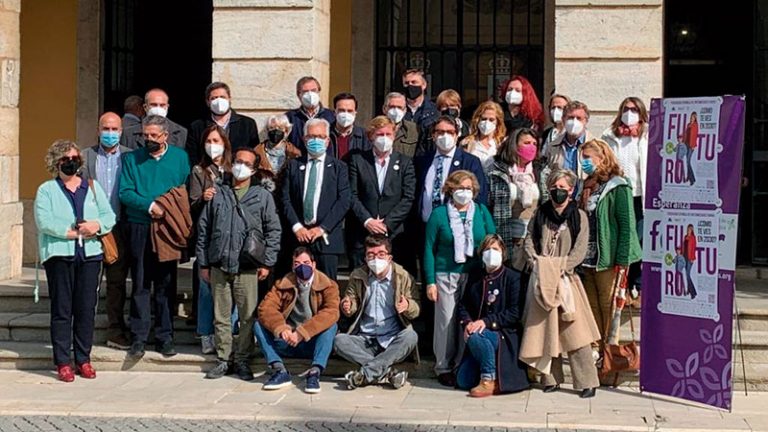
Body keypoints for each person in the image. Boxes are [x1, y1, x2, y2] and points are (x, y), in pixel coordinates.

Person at [34, 140, 116, 382]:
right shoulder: (46, 190)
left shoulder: (91, 187)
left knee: (85, 309)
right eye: (66, 159)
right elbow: (44, 221)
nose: (72, 162)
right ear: (56, 163)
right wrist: (72, 233)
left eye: (75, 158)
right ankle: (62, 362)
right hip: (59, 255)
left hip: (90, 256)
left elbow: (109, 215)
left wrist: (96, 225)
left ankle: (83, 359)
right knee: (62, 310)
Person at [198, 148, 282, 380]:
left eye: (246, 163)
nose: (240, 166)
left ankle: (243, 359)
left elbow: (273, 230)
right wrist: (203, 263)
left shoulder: (262, 196)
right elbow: (204, 229)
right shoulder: (218, 193)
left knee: (246, 317)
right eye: (237, 161)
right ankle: (223, 359)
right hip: (219, 263)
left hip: (247, 266)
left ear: (253, 170)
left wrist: (267, 262)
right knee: (221, 316)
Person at [520, 169, 602, 399]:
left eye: (563, 188)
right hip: (542, 278)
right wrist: (536, 262)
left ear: (571, 190)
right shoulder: (540, 214)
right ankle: (551, 379)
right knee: (546, 330)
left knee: (576, 332)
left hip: (567, 279)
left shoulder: (579, 216)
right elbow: (529, 240)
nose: (558, 191)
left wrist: (561, 266)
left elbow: (580, 249)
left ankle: (587, 381)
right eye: (554, 187)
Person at [119, 115, 191, 359]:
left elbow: (183, 189)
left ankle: (165, 337)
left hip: (167, 228)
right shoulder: (132, 159)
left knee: (166, 284)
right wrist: (150, 205)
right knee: (140, 283)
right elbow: (125, 192)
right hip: (140, 225)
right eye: (145, 135)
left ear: (165, 135)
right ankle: (138, 337)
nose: (148, 139)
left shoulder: (180, 157)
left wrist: (169, 210)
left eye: (153, 135)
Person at [423, 170, 496, 386]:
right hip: (446, 273)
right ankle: (443, 366)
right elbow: (428, 249)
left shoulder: (481, 211)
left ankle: (462, 364)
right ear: (450, 189)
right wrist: (430, 281)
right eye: (459, 188)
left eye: (468, 188)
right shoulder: (439, 215)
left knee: (468, 320)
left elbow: (492, 239)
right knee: (446, 321)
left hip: (474, 274)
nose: (464, 192)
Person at [578, 139, 642, 349]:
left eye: (588, 157)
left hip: (609, 257)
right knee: (591, 305)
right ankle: (595, 348)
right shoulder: (587, 185)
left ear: (602, 158)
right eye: (582, 157)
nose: (584, 161)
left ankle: (610, 350)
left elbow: (627, 225)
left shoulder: (618, 186)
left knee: (608, 304)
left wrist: (623, 260)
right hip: (587, 257)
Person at [336, 235, 420, 389]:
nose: (376, 259)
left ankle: (366, 373)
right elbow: (350, 300)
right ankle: (388, 373)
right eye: (371, 255)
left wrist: (408, 305)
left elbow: (416, 309)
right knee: (339, 341)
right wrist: (347, 305)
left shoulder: (403, 277)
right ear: (365, 258)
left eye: (381, 254)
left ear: (389, 257)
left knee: (411, 336)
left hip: (392, 339)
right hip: (365, 339)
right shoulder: (358, 275)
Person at [79, 112, 133, 350]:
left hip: (119, 227)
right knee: (87, 282)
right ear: (98, 130)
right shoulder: (84, 157)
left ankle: (115, 331)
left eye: (114, 129)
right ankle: (82, 330)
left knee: (116, 282)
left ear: (121, 131)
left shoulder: (130, 157)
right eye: (105, 128)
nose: (110, 133)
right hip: (92, 227)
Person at [254, 247, 340, 393]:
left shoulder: (328, 285)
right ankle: (279, 369)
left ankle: (315, 372)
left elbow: (331, 312)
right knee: (258, 325)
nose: (302, 267)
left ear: (313, 264)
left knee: (331, 326)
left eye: (306, 263)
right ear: (293, 266)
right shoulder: (282, 284)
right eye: (297, 264)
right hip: (287, 340)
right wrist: (281, 328)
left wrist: (302, 333)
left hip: (312, 342)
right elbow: (265, 308)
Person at [456, 234, 529, 397]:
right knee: (463, 381)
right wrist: (467, 322)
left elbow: (514, 313)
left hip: (503, 334)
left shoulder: (513, 277)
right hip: (478, 332)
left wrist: (486, 322)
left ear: (503, 252)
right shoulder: (476, 277)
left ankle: (488, 379)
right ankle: (486, 371)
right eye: (487, 249)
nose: (491, 253)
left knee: (476, 336)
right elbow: (463, 305)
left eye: (495, 249)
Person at [280, 118, 351, 280]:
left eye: (320, 137)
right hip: (298, 239)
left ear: (327, 141)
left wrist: (322, 228)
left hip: (326, 241)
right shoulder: (293, 166)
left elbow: (344, 201)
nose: (316, 140)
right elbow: (285, 199)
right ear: (304, 139)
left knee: (327, 289)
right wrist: (297, 227)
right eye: (311, 136)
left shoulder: (339, 168)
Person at [348, 116, 416, 267]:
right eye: (379, 134)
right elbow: (352, 195)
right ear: (371, 136)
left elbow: (408, 197)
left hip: (395, 235)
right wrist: (368, 221)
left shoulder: (405, 162)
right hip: (363, 234)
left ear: (394, 136)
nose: (384, 138)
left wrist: (387, 224)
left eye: (388, 134)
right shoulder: (358, 160)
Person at [188, 125, 232, 354]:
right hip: (208, 236)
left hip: (232, 237)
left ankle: (228, 332)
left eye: (217, 140)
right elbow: (192, 203)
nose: (213, 145)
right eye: (209, 141)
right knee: (206, 287)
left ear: (225, 143)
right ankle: (205, 333)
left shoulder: (233, 169)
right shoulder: (199, 171)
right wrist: (202, 198)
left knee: (232, 289)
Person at [602, 97, 649, 305]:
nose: (630, 113)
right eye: (626, 109)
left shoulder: (647, 136)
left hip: (639, 196)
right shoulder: (610, 136)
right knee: (622, 241)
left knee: (638, 240)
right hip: (619, 195)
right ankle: (623, 287)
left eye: (634, 109)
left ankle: (637, 285)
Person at [415, 115, 488, 227]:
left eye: (450, 132)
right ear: (433, 135)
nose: (445, 136)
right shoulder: (422, 161)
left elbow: (479, 195)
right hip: (424, 225)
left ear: (456, 135)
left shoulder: (470, 162)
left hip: (456, 226)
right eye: (440, 132)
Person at [487, 128, 540, 271]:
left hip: (532, 239)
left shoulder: (539, 171)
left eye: (534, 144)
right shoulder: (497, 170)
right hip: (504, 235)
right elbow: (488, 203)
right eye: (527, 143)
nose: (531, 147)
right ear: (514, 145)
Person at [187, 82, 260, 167]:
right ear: (207, 102)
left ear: (229, 99)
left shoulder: (247, 124)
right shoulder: (197, 126)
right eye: (214, 98)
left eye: (222, 97)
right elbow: (192, 156)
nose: (219, 101)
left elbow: (253, 153)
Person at [545, 101, 595, 199]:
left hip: (586, 200)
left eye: (579, 118)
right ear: (563, 119)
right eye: (570, 118)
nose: (574, 122)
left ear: (586, 121)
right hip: (560, 201)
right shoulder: (553, 146)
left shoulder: (595, 147)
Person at [120, 88, 188, 150]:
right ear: (145, 107)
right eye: (154, 105)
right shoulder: (128, 133)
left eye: (162, 105)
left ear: (167, 107)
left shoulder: (181, 133)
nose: (158, 108)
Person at [285, 76, 336, 151]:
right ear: (298, 94)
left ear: (319, 92)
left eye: (313, 90)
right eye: (305, 91)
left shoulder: (331, 116)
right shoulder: (289, 118)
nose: (310, 95)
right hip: (299, 158)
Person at [253, 114, 302, 192]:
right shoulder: (257, 152)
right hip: (263, 193)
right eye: (272, 128)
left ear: (286, 131)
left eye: (280, 128)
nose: (275, 131)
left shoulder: (295, 153)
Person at [461, 101, 508, 174]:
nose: (487, 122)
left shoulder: (502, 143)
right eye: (484, 119)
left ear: (498, 122)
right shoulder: (467, 143)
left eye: (491, 120)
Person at [329, 92, 370, 160]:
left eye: (350, 111)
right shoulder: (325, 134)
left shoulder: (365, 136)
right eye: (341, 110)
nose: (346, 114)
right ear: (335, 112)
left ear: (355, 113)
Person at [402, 69, 439, 139]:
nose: (410, 85)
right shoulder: (398, 109)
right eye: (406, 83)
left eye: (414, 82)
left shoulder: (434, 111)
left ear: (424, 85)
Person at [382, 92, 420, 157]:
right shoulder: (376, 128)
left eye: (399, 107)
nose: (396, 110)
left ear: (405, 110)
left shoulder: (414, 130)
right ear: (384, 109)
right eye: (392, 107)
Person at [539, 93, 571, 164]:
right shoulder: (546, 134)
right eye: (553, 108)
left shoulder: (571, 134)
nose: (556, 111)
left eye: (560, 108)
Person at [682, 224, 698, 299]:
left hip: (690, 258)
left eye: (691, 229)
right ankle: (688, 289)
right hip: (684, 257)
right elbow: (683, 247)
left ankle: (693, 293)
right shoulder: (685, 237)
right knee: (686, 274)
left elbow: (694, 248)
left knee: (688, 275)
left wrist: (692, 258)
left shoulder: (693, 238)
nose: (689, 230)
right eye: (688, 229)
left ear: (692, 230)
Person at [684, 112, 699, 185]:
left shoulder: (695, 125)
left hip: (691, 145)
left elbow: (695, 135)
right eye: (691, 117)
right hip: (686, 144)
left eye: (693, 117)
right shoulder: (688, 125)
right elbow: (686, 134)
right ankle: (688, 177)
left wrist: (693, 146)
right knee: (687, 162)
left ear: (695, 118)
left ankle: (692, 179)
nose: (692, 118)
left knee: (688, 161)